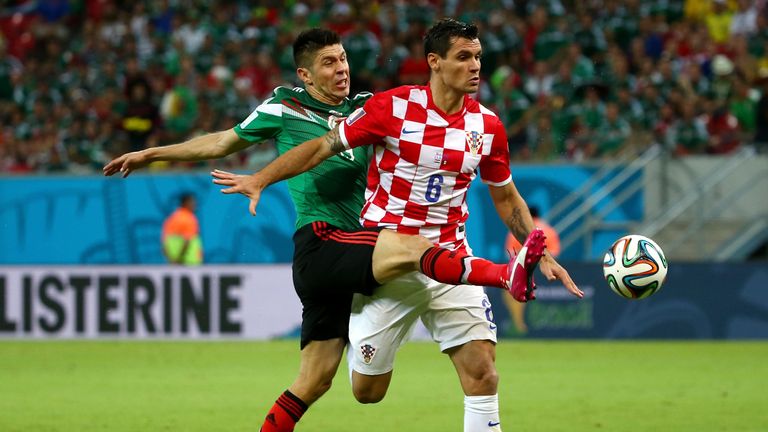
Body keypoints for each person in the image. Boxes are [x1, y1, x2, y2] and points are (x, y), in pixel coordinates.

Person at [104, 28, 549, 432]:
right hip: (327, 243)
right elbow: (223, 141)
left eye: (344, 60)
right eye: (329, 64)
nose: (342, 70)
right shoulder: (284, 106)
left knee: (316, 380)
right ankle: (497, 275)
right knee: (412, 251)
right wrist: (151, 154)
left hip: (368, 250)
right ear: (306, 74)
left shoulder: (367, 109)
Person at [213, 19, 583, 432]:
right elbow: (321, 147)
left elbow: (506, 196)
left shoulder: (488, 127)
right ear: (435, 62)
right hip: (388, 262)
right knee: (367, 391)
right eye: (464, 57)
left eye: (478, 56)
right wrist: (262, 178)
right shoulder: (392, 108)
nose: (475, 65)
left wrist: (543, 251)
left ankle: (502, 276)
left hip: (452, 260)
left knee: (483, 373)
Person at [503, 206, 561, 334]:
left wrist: (527, 256)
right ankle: (520, 324)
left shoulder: (517, 229)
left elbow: (511, 254)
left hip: (524, 270)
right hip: (546, 271)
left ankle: (518, 323)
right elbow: (555, 253)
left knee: (510, 292)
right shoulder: (549, 230)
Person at [161, 192, 203, 265]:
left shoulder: (172, 218)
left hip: (174, 262)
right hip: (189, 263)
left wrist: (172, 260)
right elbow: (187, 241)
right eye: (192, 202)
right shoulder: (189, 218)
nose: (195, 204)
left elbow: (164, 243)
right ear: (185, 203)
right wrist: (178, 259)